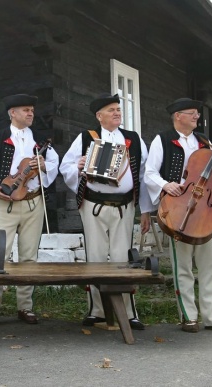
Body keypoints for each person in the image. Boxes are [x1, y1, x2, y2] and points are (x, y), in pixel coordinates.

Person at [144, 98, 212, 334]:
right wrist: (167, 185)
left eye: (198, 113)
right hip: (177, 208)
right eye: (192, 113)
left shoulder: (205, 142)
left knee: (210, 265)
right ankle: (188, 316)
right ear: (178, 115)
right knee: (182, 266)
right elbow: (149, 173)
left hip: (205, 210)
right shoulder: (163, 139)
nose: (197, 116)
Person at [59, 93, 152, 330]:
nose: (117, 113)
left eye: (118, 109)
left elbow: (143, 175)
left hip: (125, 205)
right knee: (96, 258)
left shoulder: (134, 139)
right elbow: (65, 166)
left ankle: (129, 313)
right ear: (99, 116)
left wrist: (145, 210)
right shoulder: (86, 137)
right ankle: (97, 311)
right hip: (93, 204)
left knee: (123, 259)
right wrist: (78, 166)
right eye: (111, 110)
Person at [0, 94, 59, 328]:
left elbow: (54, 165)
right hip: (5, 204)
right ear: (12, 113)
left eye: (32, 109)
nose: (30, 113)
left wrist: (44, 165)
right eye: (25, 110)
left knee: (29, 256)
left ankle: (25, 307)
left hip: (33, 202)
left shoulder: (42, 140)